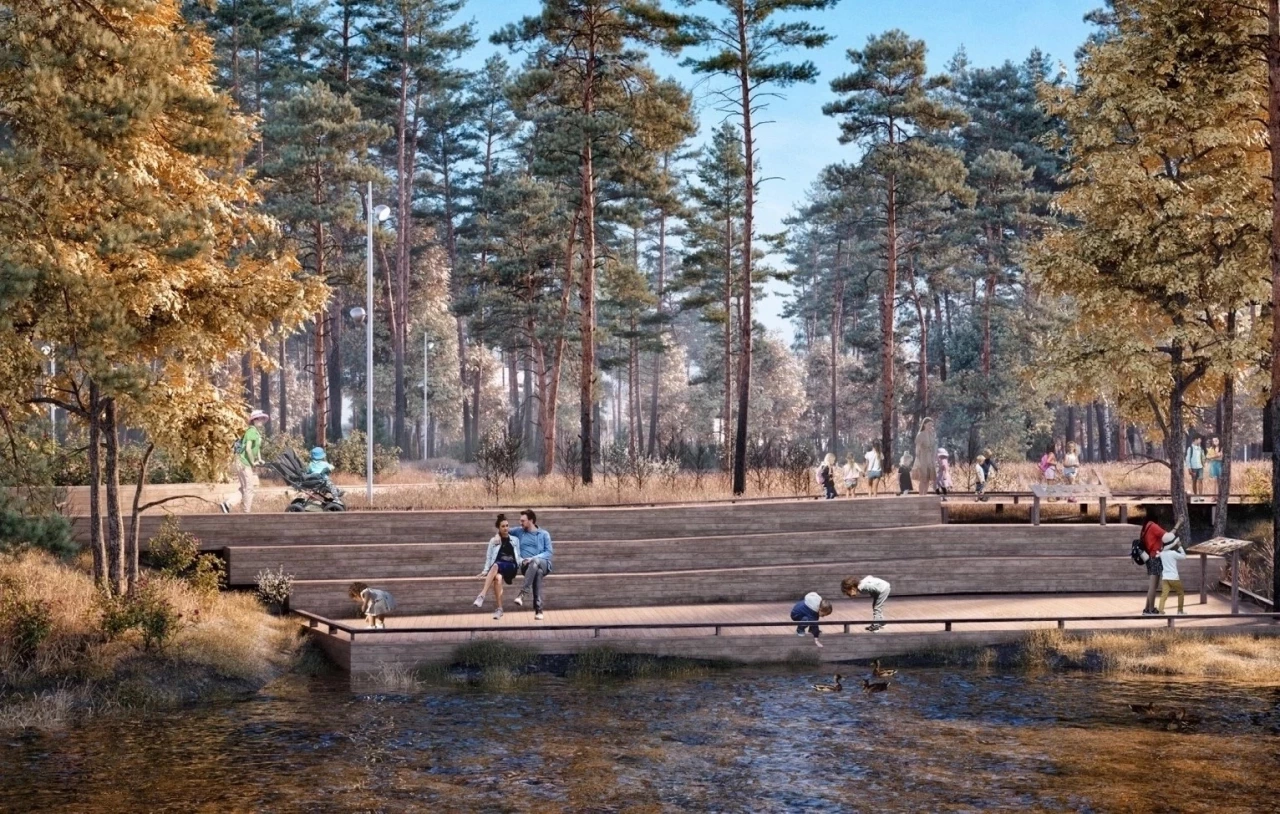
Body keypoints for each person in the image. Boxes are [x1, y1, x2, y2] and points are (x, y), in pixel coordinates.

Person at [509, 508, 553, 620]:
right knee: (537, 573)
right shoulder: (519, 531)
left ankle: (522, 594)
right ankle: (539, 610)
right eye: (520, 521)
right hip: (526, 566)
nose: (520, 523)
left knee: (535, 562)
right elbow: (505, 530)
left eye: (523, 521)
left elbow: (548, 552)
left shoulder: (543, 534)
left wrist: (533, 558)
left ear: (531, 520)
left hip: (543, 563)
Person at [475, 513, 521, 619]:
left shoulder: (515, 540)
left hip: (511, 566)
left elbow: (518, 554)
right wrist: (485, 570)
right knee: (498, 578)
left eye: (507, 525)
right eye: (503, 526)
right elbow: (489, 556)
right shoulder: (493, 541)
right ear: (498, 528)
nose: (505, 528)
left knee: (495, 566)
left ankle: (482, 595)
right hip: (498, 567)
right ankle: (500, 609)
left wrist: (523, 563)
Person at [221, 410, 268, 513]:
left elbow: (257, 448)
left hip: (243, 463)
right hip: (243, 463)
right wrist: (252, 462)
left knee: (245, 488)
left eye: (262, 418)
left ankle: (227, 504)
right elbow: (248, 449)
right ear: (253, 420)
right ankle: (246, 513)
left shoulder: (256, 432)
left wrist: (259, 459)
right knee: (249, 489)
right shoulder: (251, 431)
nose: (261, 420)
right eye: (258, 418)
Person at [1137, 519, 1172, 615]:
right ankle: (1151, 609)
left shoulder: (1146, 526)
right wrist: (1178, 524)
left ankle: (1147, 609)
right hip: (1154, 558)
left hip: (1150, 558)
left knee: (1153, 586)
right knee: (1153, 586)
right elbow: (1167, 536)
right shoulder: (1153, 526)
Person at [1158, 535, 1187, 615]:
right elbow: (1184, 556)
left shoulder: (1162, 554)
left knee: (1164, 595)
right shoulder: (1173, 553)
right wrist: (1180, 546)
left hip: (1165, 578)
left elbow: (1158, 554)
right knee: (1180, 593)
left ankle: (1160, 610)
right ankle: (1180, 611)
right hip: (1174, 577)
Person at [913, 418, 937, 496]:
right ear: (924, 424)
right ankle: (920, 496)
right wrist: (918, 459)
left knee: (928, 479)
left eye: (931, 425)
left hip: (930, 458)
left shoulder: (931, 435)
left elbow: (934, 446)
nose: (930, 426)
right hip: (923, 457)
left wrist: (934, 459)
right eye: (929, 424)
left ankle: (925, 495)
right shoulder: (921, 434)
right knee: (923, 478)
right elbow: (917, 448)